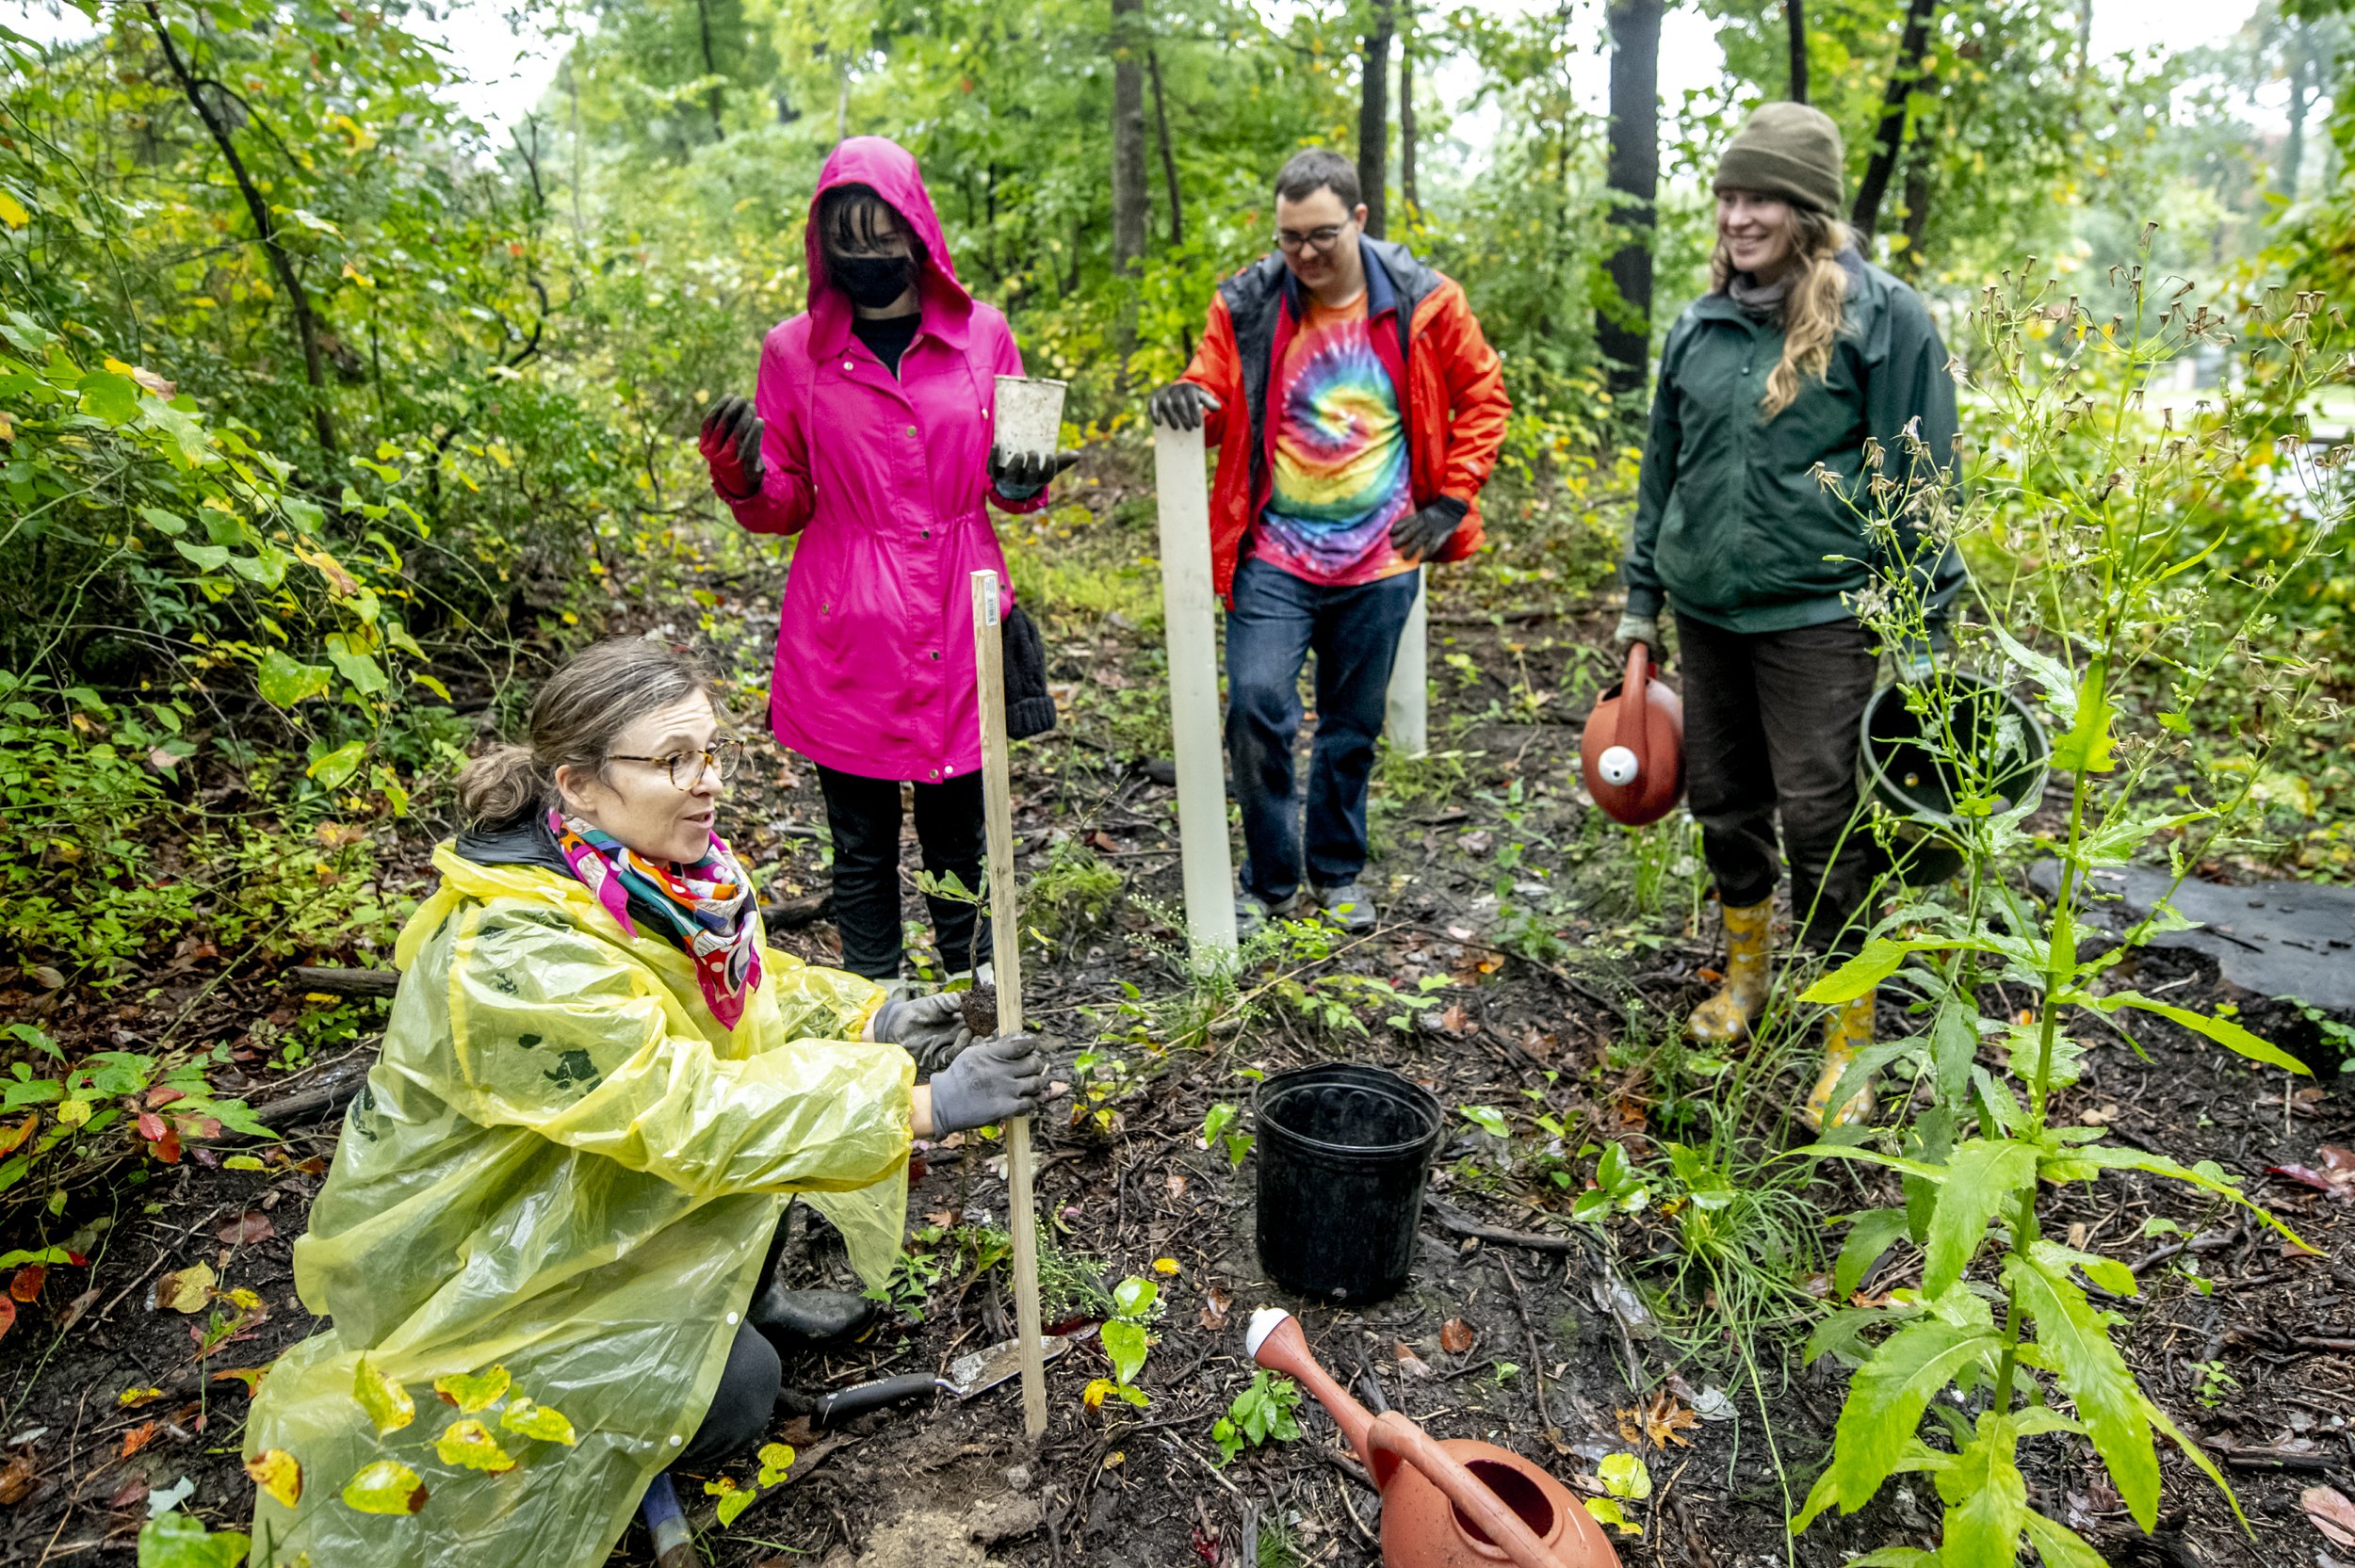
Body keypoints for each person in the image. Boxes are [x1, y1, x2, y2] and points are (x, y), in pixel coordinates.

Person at [243, 639, 1047, 1568]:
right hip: (483, 1266)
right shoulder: (517, 951)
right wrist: (920, 1105)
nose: (706, 784)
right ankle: (617, 1396)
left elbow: (739, 994)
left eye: (711, 753)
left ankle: (728, 1303)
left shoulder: (645, 873)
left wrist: (873, 1014)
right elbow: (683, 1109)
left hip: (592, 1204)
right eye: (672, 762)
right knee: (743, 1392)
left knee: (748, 1231)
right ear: (577, 785)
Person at [1616, 103, 1962, 1130]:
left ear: (1807, 207)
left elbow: (1919, 478)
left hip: (1819, 614)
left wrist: (1922, 636)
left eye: (1759, 195)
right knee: (1722, 799)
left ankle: (1846, 1036)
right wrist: (1642, 602)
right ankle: (1748, 979)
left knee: (1823, 818)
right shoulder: (1699, 323)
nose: (1737, 215)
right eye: (1727, 195)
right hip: (1706, 612)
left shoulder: (1883, 317)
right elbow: (1659, 476)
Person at [696, 136, 1070, 992]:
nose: (865, 256)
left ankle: (980, 1002)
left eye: (881, 236)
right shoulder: (794, 351)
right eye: (847, 240)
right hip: (845, 623)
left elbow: (1015, 484)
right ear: (822, 245)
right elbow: (785, 502)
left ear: (917, 234)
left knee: (958, 837)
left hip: (962, 606)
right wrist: (742, 475)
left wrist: (1023, 475)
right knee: (859, 845)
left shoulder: (985, 335)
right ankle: (876, 1021)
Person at [1147, 148, 1511, 935]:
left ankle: (1338, 872)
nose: (1304, 255)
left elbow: (1485, 394)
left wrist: (1450, 502)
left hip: (1382, 558)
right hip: (1274, 554)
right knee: (1257, 706)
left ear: (1358, 218)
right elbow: (1211, 393)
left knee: (1351, 727)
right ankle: (1271, 878)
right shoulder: (1248, 302)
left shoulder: (1426, 301)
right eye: (1289, 239)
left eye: (1320, 236)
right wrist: (1186, 401)